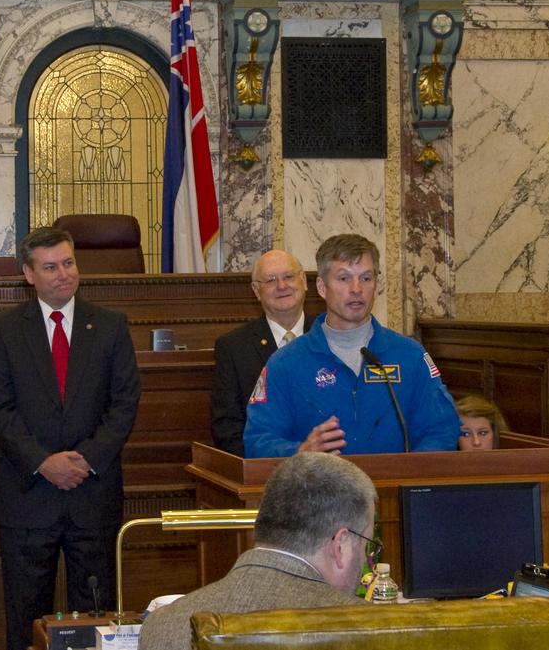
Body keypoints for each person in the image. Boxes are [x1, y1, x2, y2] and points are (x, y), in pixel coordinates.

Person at [0, 226, 142, 650]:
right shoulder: (4, 330)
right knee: (26, 618)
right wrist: (43, 461)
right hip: (29, 495)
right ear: (29, 274)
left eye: (68, 263)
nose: (63, 274)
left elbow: (123, 404)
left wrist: (86, 459)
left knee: (98, 616)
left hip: (94, 495)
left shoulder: (109, 326)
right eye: (50, 267)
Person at [243, 233, 460, 458]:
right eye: (344, 278)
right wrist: (300, 452)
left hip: (393, 489)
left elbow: (442, 430)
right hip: (318, 490)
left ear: (376, 285)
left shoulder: (410, 356)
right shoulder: (285, 363)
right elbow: (257, 441)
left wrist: (409, 474)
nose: (356, 289)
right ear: (321, 287)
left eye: (366, 278)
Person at [138, 452, 377, 650]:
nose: (366, 560)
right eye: (367, 546)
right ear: (341, 544)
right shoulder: (374, 631)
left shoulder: (163, 625)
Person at [210, 249, 314, 456]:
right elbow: (226, 427)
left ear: (303, 281)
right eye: (271, 280)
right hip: (263, 470)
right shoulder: (233, 347)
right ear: (256, 291)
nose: (282, 286)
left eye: (288, 276)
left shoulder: (330, 336)